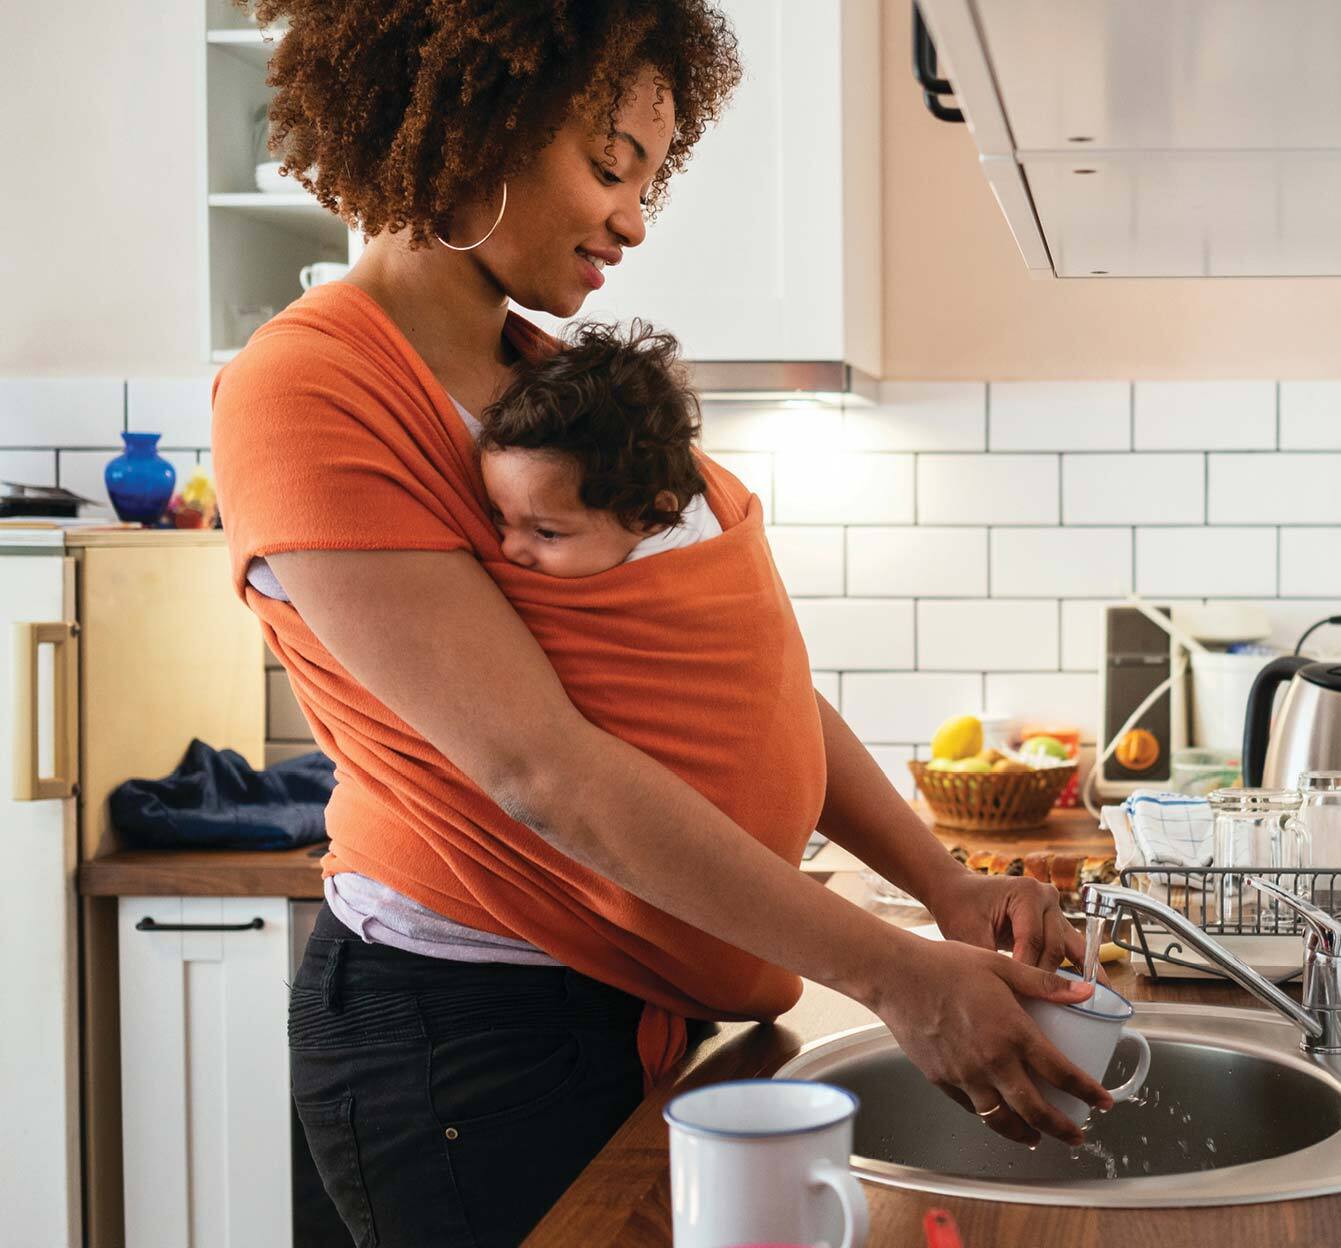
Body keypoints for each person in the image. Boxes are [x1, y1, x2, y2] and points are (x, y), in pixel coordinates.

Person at [211, 4, 1112, 1245]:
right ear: (481, 127)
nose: (635, 221)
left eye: (651, 177)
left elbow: (746, 680)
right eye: (611, 165)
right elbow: (540, 771)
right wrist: (896, 972)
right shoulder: (310, 388)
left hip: (647, 1001)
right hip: (470, 1039)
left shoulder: (554, 392)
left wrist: (944, 886)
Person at [477, 319, 720, 578]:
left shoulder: (676, 577)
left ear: (650, 516)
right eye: (500, 516)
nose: (509, 549)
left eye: (547, 532)